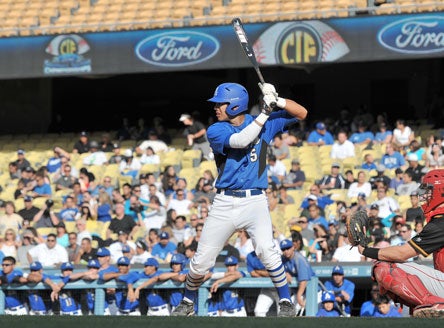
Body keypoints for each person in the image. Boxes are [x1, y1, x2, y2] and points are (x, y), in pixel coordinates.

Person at [171, 82, 307, 317]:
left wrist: (278, 100)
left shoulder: (267, 120)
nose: (216, 108)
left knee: (267, 250)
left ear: (235, 105)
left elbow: (302, 113)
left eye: (220, 103)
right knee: (202, 261)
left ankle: (286, 301)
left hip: (255, 199)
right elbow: (241, 141)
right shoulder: (216, 130)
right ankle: (187, 301)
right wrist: (265, 112)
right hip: (224, 201)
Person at [355, 169, 444, 318]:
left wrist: (366, 250)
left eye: (429, 190)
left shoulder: (441, 221)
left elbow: (402, 254)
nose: (425, 195)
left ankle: (437, 305)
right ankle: (430, 305)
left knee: (384, 266)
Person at [280, 236, 316, 316]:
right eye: (283, 249)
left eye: (288, 248)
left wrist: (299, 296)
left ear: (293, 247)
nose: (286, 251)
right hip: (300, 291)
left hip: (312, 290)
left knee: (313, 315)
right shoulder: (283, 258)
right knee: (288, 313)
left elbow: (304, 280)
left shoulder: (299, 258)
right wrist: (284, 273)